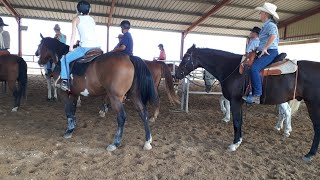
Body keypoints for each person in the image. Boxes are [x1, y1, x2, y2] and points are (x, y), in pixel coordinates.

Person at [243, 2, 280, 104]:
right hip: (264, 51)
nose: (259, 14)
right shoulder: (265, 26)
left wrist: (265, 48)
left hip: (270, 52)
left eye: (261, 12)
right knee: (248, 65)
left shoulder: (271, 25)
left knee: (254, 68)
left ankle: (257, 95)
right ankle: (248, 91)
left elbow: (273, 36)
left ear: (265, 14)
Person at [60, 0, 100, 91]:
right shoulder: (92, 19)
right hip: (97, 47)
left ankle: (65, 81)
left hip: (85, 48)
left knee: (64, 59)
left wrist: (70, 47)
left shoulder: (76, 19)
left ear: (78, 9)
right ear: (89, 9)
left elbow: (73, 34)